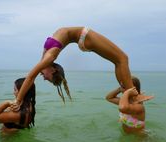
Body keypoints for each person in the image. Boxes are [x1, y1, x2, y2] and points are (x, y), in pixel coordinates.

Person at [12, 26, 146, 109]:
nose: (44, 78)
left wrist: (20, 99)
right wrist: (18, 100)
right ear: (53, 69)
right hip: (84, 36)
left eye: (46, 78)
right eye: (47, 79)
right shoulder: (50, 58)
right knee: (122, 59)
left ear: (54, 70)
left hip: (82, 38)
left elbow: (30, 78)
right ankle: (133, 97)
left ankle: (128, 93)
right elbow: (30, 77)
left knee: (118, 61)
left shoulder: (45, 59)